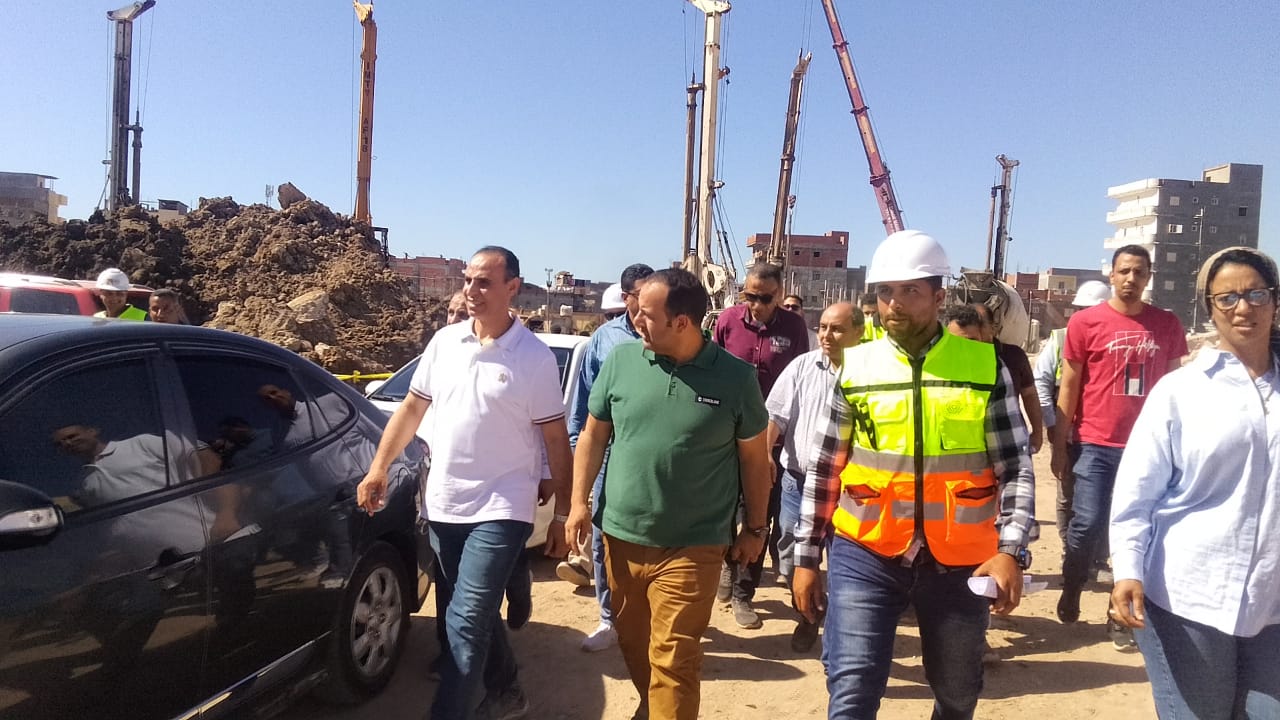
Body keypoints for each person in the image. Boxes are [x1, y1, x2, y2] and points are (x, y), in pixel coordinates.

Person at [793, 230, 1036, 720]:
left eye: (910, 291)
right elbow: (825, 468)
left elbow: (1016, 468)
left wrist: (1010, 550)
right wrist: (806, 556)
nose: (894, 304)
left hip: (960, 563)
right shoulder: (856, 367)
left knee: (957, 693)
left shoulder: (983, 366)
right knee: (852, 690)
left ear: (939, 297)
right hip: (866, 552)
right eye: (886, 291)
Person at [357, 246, 572, 720]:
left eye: (484, 282)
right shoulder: (444, 343)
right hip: (445, 503)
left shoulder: (534, 358)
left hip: (503, 506)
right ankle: (507, 688)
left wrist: (563, 512)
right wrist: (379, 467)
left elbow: (556, 438)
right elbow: (412, 410)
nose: (472, 291)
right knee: (468, 608)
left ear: (512, 288)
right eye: (469, 280)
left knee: (465, 620)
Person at [566, 268, 771, 720]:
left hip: (693, 545)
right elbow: (593, 435)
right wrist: (579, 503)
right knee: (633, 641)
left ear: (682, 322)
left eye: (646, 314)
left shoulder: (736, 379)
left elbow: (756, 461)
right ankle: (652, 704)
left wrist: (755, 528)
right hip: (620, 536)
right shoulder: (621, 361)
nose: (634, 320)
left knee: (674, 656)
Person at [1110, 247, 1280, 718]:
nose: (1243, 308)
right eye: (1227, 298)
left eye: (1256, 294)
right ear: (1210, 307)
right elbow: (1136, 495)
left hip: (1273, 599)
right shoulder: (1181, 391)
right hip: (1191, 595)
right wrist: (1128, 569)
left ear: (1275, 301)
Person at [1052, 245, 1187, 650]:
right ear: (1111, 275)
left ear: (1148, 277)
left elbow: (1175, 389)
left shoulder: (1166, 324)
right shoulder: (1085, 323)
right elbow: (1069, 385)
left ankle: (1120, 615)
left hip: (1148, 448)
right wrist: (1059, 445)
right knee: (1087, 524)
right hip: (1095, 443)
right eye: (1124, 271)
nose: (1131, 278)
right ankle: (1073, 584)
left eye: (1139, 272)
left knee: (1139, 532)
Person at [560, 263, 654, 654]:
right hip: (608, 453)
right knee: (601, 540)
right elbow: (584, 404)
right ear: (627, 297)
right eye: (640, 297)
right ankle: (608, 619)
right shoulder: (605, 340)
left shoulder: (667, 336)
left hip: (650, 457)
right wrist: (577, 456)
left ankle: (648, 617)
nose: (646, 305)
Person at [713, 262, 809, 629]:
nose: (755, 304)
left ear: (779, 295)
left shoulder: (794, 328)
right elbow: (712, 370)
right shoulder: (727, 321)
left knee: (759, 517)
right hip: (727, 439)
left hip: (771, 442)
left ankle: (744, 592)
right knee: (725, 510)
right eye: (749, 296)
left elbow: (800, 383)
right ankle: (727, 564)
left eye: (764, 298)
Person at [765, 301, 862, 653]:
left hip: (851, 491)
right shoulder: (802, 367)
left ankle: (837, 624)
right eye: (822, 327)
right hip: (798, 482)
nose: (826, 335)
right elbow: (776, 416)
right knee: (793, 552)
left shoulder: (869, 374)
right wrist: (765, 455)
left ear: (858, 332)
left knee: (844, 559)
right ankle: (807, 615)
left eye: (836, 329)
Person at [1032, 280, 1111, 551]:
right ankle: (1071, 551)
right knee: (1067, 495)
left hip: (1101, 436)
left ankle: (1097, 556)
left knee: (1103, 498)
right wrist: (1052, 425)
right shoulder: (1060, 339)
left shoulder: (1114, 340)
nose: (1085, 316)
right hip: (1067, 434)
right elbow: (1041, 382)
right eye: (1081, 310)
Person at [951, 303, 1044, 453]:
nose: (976, 328)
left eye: (981, 323)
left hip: (1009, 438)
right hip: (967, 442)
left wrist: (1038, 433)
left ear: (993, 328)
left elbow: (1030, 394)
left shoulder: (1013, 357)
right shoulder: (955, 358)